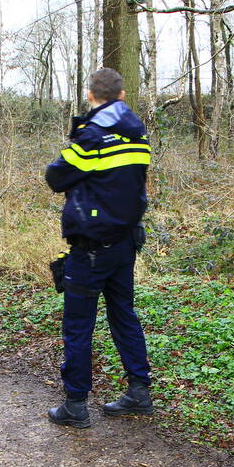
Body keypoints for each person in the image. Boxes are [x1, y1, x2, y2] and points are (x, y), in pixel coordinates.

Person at [44, 67, 153, 428]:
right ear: (121, 96)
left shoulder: (91, 137)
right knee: (124, 316)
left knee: (78, 326)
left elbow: (55, 176)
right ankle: (139, 391)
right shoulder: (139, 136)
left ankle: (75, 405)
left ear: (91, 96)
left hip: (90, 247)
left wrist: (78, 136)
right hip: (124, 241)